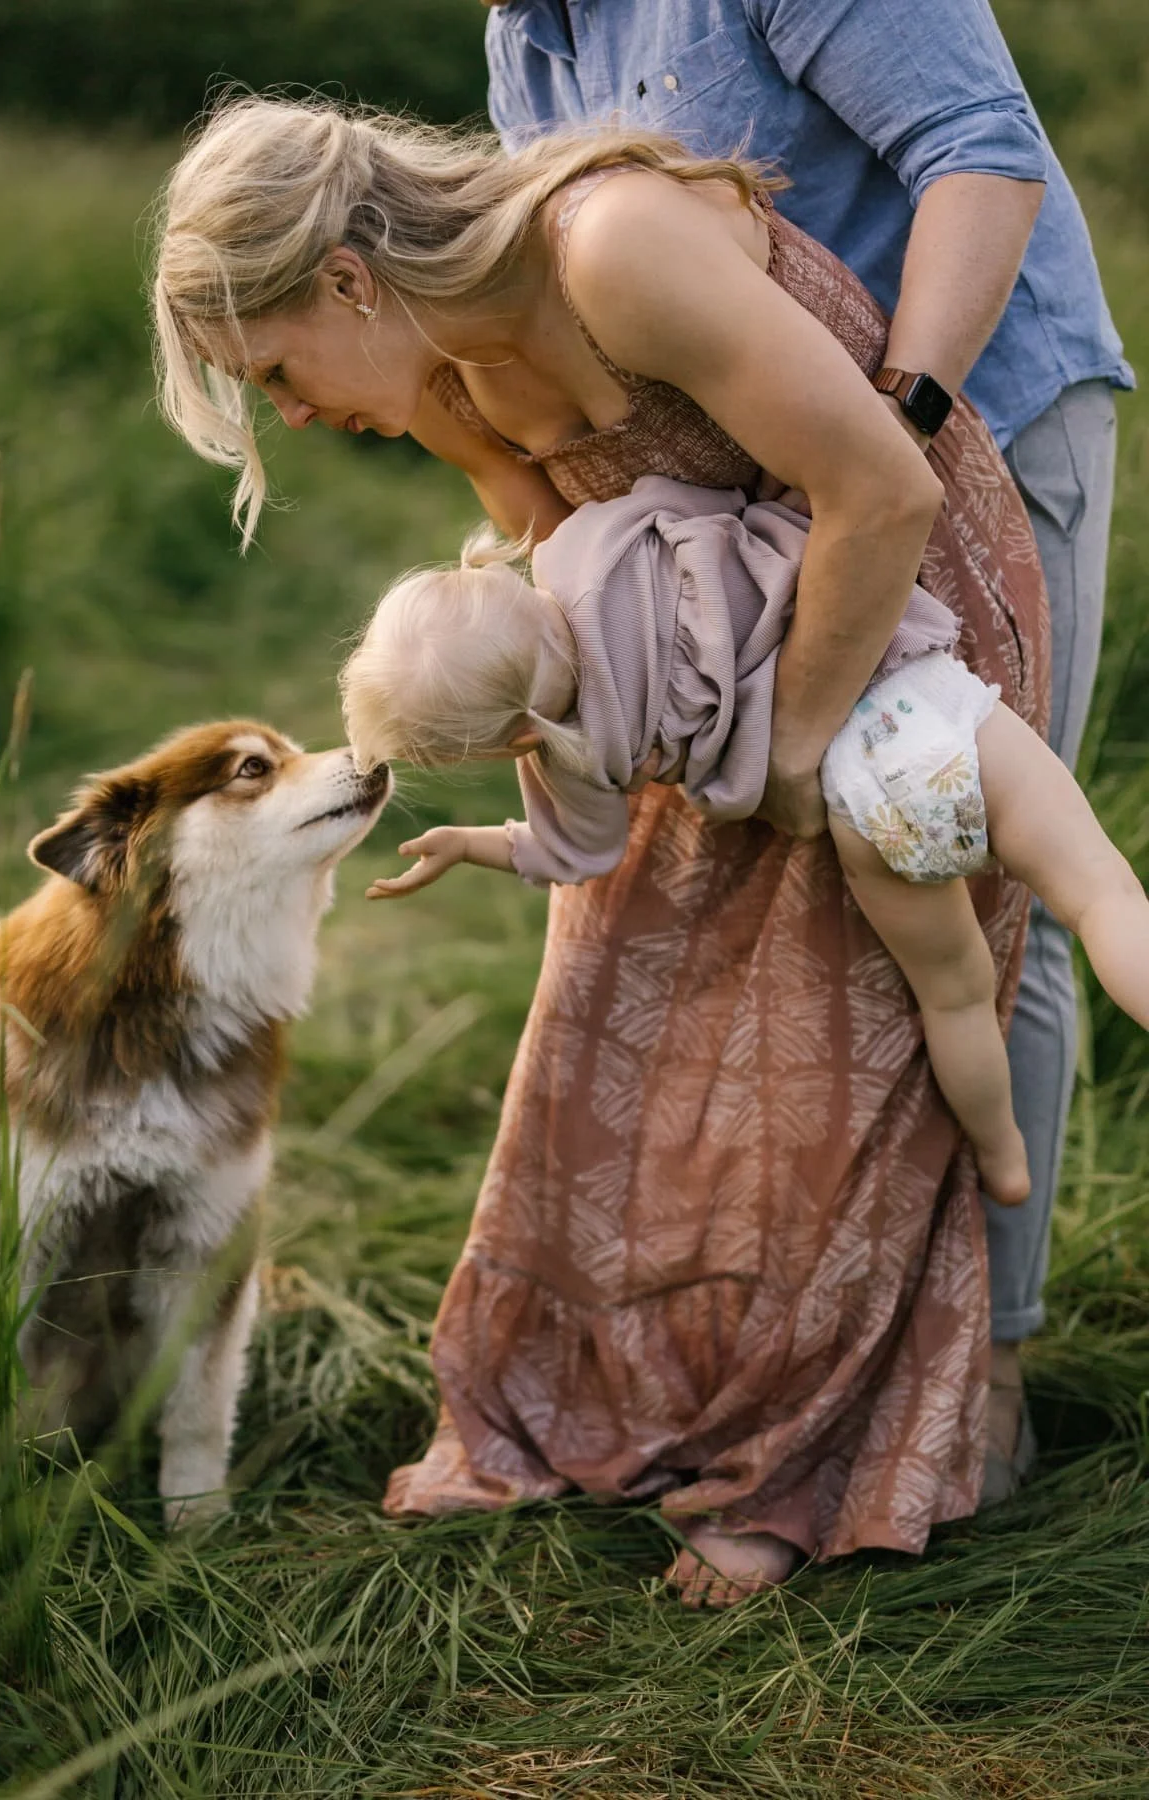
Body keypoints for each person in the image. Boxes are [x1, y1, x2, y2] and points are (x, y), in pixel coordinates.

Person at [151, 94, 1051, 1606]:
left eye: (279, 371)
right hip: (690, 679)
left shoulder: (610, 249)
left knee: (826, 1046)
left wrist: (793, 753)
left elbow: (881, 490)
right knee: (613, 1017)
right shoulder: (438, 375)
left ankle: (795, 1468)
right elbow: (550, 543)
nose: (293, 414)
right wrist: (537, 720)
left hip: (890, 627)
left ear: (349, 281)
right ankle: (610, 1411)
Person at [480, 0, 1134, 1504]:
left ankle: (994, 1374)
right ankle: (837, 1376)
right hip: (784, 493)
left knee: (988, 885)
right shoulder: (527, 30)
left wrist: (889, 427)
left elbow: (982, 152)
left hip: (979, 413)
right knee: (846, 908)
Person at [339, 477, 1149, 1212]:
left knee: (955, 996)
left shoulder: (578, 757)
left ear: (511, 738)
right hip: (917, 699)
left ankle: (1003, 1158)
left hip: (856, 803)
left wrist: (473, 843)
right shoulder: (590, 543)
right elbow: (701, 500)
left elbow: (576, 856)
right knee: (1100, 895)